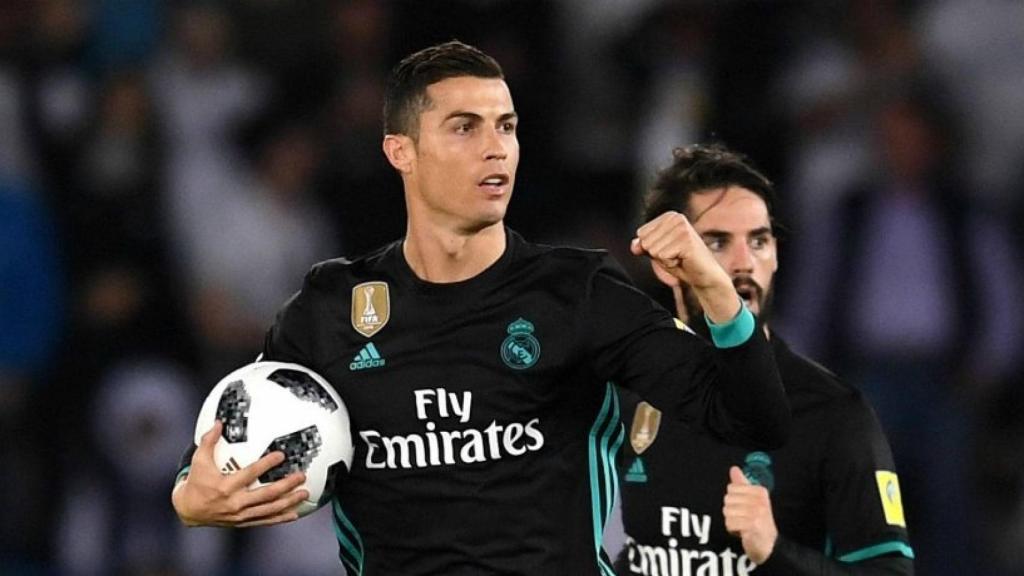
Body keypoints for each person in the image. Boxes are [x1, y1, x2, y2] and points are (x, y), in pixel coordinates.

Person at [171, 41, 789, 575]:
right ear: (400, 152)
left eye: (507, 126)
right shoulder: (330, 310)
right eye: (466, 126)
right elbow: (234, 430)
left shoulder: (576, 293)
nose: (497, 148)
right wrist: (189, 498)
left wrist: (715, 292)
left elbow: (754, 419)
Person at [608, 143, 914, 575]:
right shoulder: (622, 397)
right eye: (716, 242)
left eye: (759, 241)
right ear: (665, 262)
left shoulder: (831, 411)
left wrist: (774, 552)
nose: (744, 263)